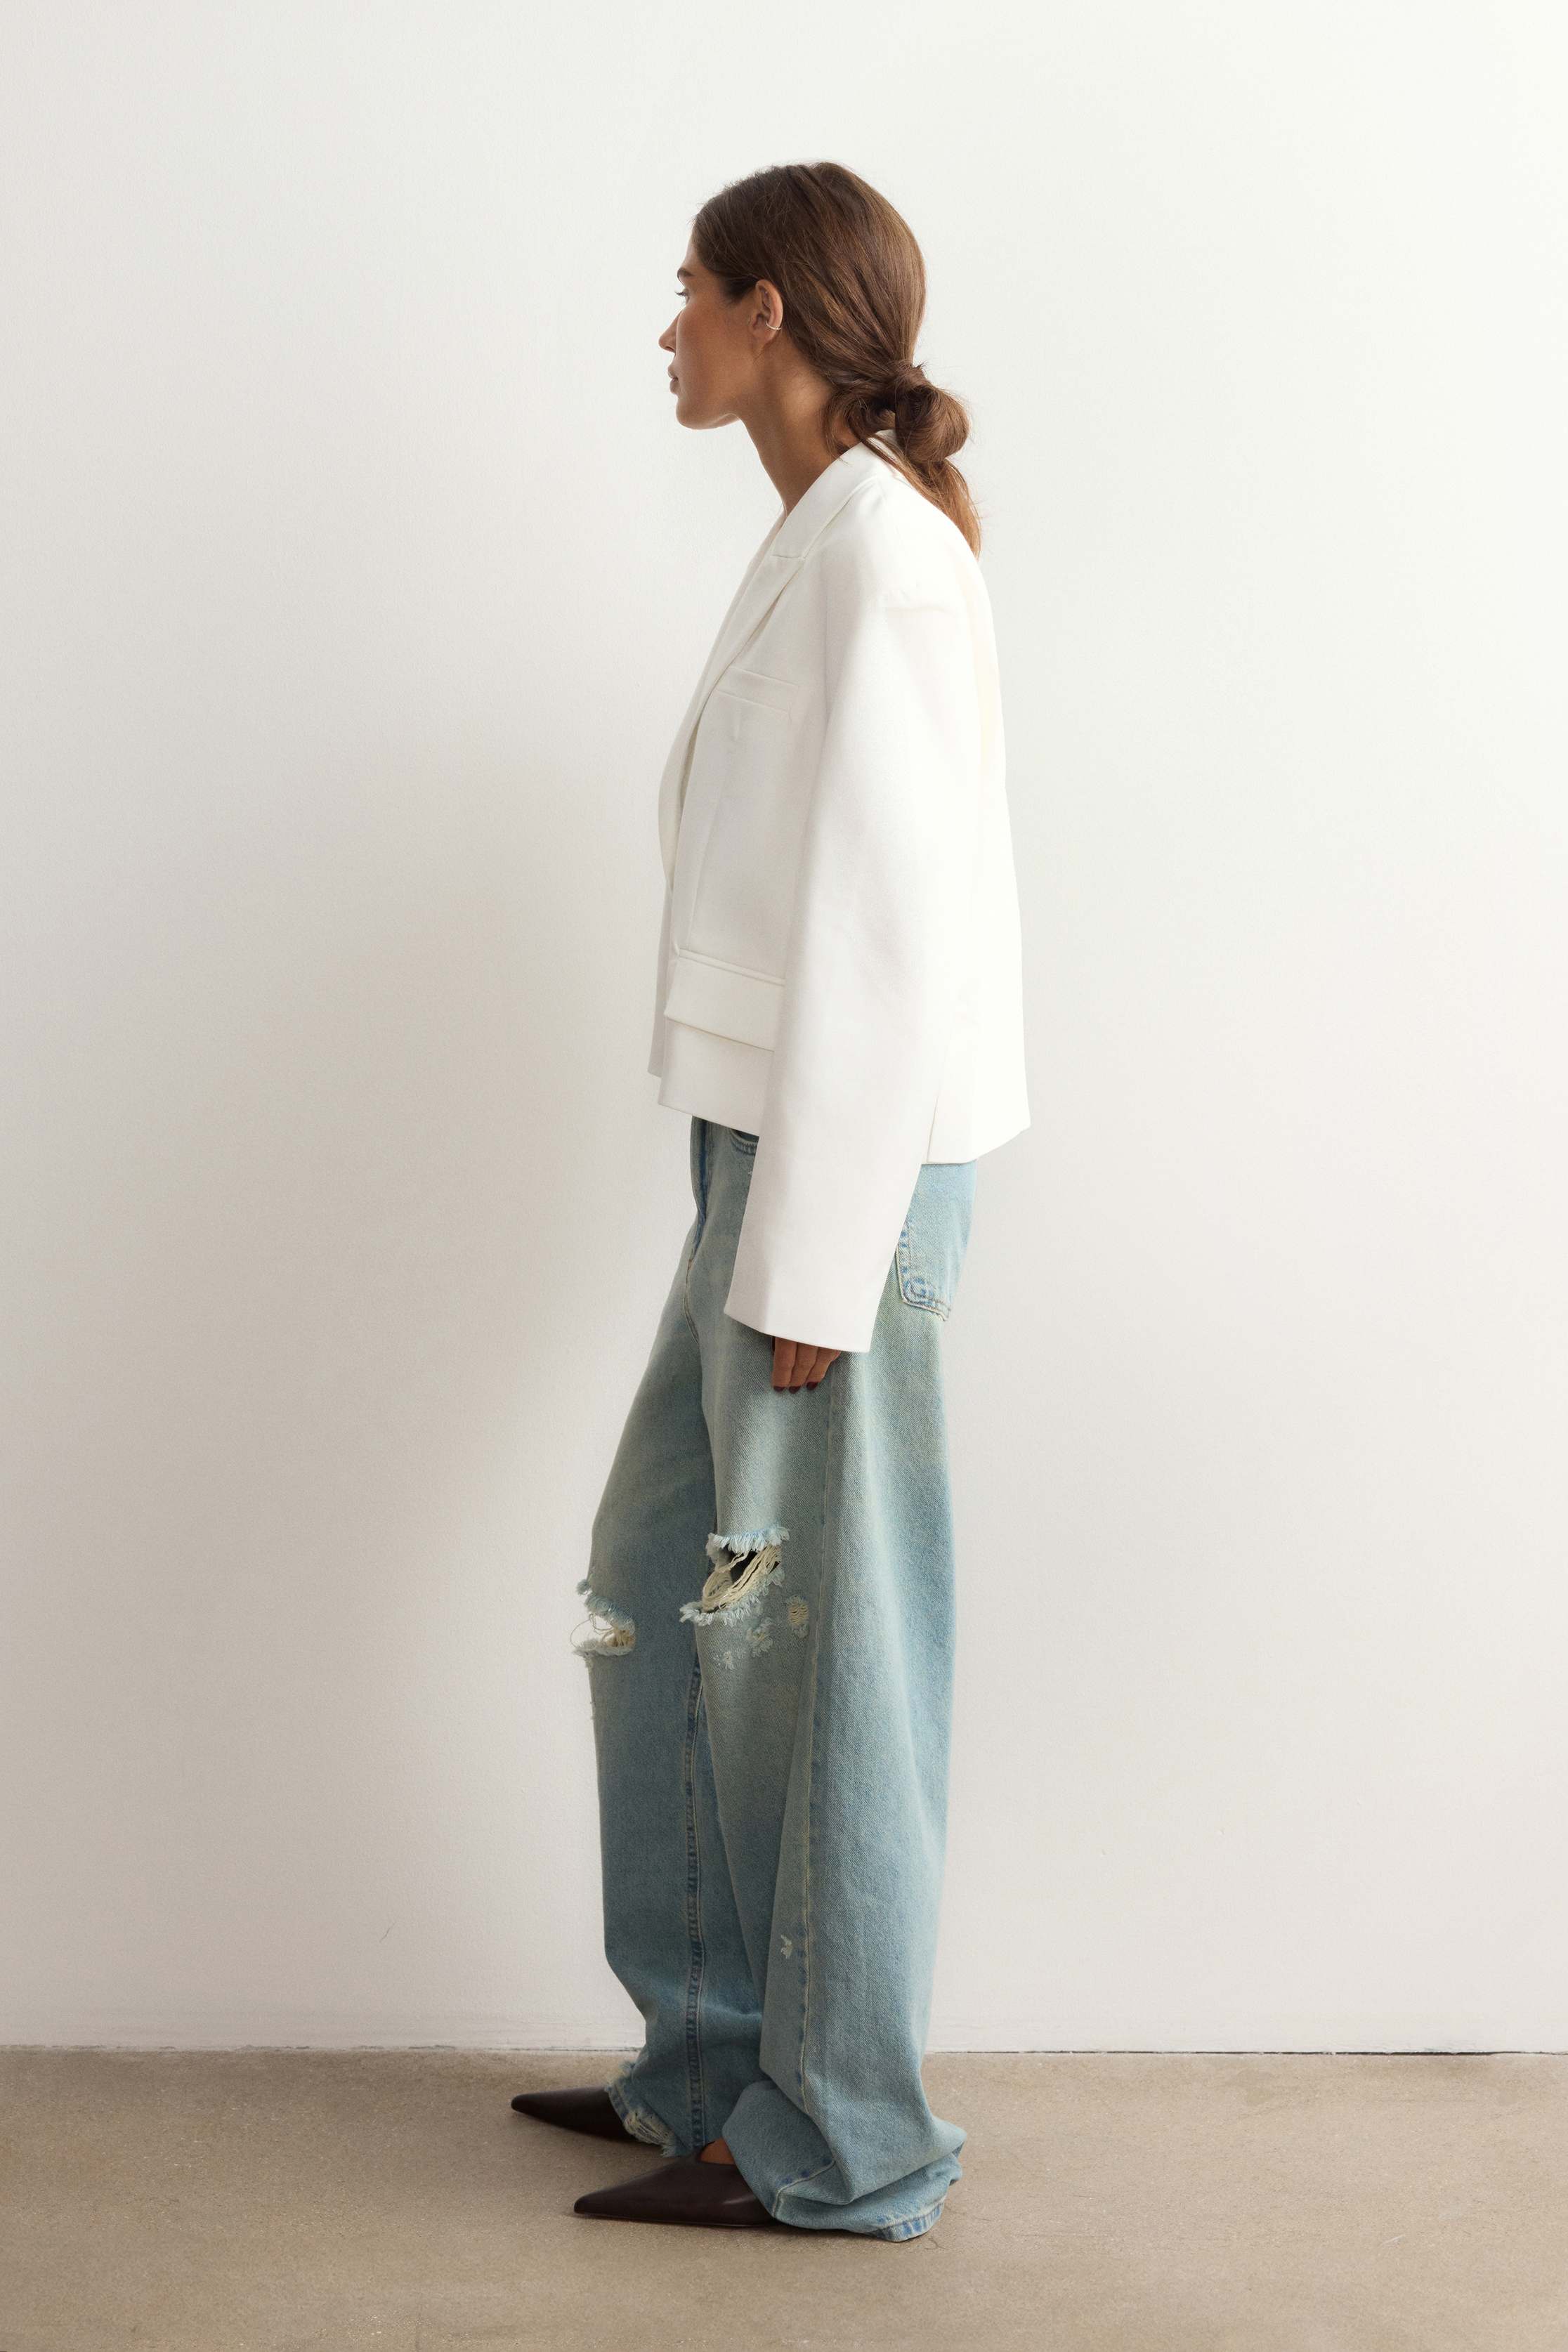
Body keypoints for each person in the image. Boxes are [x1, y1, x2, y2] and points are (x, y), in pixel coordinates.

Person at [512, 161, 1028, 2239]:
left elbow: (895, 938)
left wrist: (815, 1251)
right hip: (764, 1153)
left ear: (772, 316)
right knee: (666, 1583)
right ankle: (712, 2063)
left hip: (842, 1177)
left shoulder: (883, 559)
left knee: (806, 1647)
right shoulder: (826, 537)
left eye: (689, 292)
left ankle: (845, 2141)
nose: (666, 330)